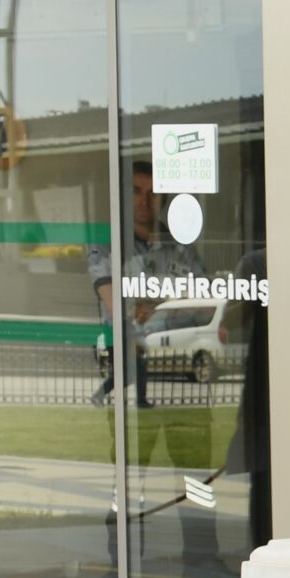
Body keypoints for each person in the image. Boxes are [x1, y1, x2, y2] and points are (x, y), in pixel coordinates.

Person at [91, 160, 204, 410]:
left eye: (153, 193)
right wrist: (165, 303)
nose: (144, 201)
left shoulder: (179, 246)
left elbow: (201, 297)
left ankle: (127, 398)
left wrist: (155, 307)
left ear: (163, 199)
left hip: (170, 344)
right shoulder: (108, 243)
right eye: (136, 192)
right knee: (131, 372)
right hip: (127, 338)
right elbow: (112, 300)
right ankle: (128, 399)